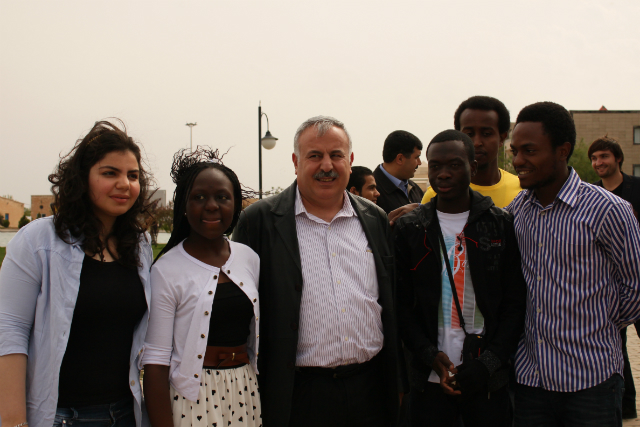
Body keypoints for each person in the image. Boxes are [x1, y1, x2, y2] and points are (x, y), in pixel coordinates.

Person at [233, 116, 405, 427]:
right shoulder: (260, 221)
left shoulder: (374, 219)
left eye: (336, 155)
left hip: (371, 390)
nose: (327, 165)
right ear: (296, 161)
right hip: (298, 394)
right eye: (314, 156)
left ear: (350, 161)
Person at [0, 121, 154, 427]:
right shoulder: (37, 241)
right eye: (110, 173)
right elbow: (9, 330)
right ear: (82, 179)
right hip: (61, 417)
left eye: (133, 175)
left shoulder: (139, 245)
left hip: (125, 413)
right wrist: (13, 420)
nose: (125, 183)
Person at [507, 102, 640, 426]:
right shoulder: (516, 212)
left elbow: (634, 288)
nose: (518, 161)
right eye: (514, 151)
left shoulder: (609, 210)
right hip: (530, 383)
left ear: (563, 150)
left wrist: (596, 327)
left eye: (529, 150)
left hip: (592, 383)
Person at [394, 130, 526, 427]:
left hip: (488, 381)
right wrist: (429, 355)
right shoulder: (411, 229)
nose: (442, 174)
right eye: (435, 165)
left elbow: (515, 304)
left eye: (454, 165)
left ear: (473, 168)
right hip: (428, 379)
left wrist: (488, 364)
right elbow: (401, 304)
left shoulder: (500, 224)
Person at [142, 148, 261, 427]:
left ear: (236, 204)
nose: (211, 206)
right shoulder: (166, 269)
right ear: (183, 205)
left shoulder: (249, 259)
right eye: (199, 197)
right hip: (191, 398)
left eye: (222, 197)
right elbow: (156, 359)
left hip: (245, 389)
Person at [589, 135, 640, 419]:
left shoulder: (636, 188)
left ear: (618, 159)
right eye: (594, 158)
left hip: (638, 278)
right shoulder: (593, 195)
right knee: (617, 350)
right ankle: (626, 405)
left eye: (604, 157)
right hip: (610, 286)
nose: (598, 163)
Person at [421, 96, 521, 208]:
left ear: (502, 138)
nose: (477, 142)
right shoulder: (436, 194)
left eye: (486, 134)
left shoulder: (523, 193)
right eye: (469, 134)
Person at [373, 130, 425, 214]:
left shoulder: (415, 189)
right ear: (400, 159)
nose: (419, 162)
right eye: (416, 157)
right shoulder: (372, 191)